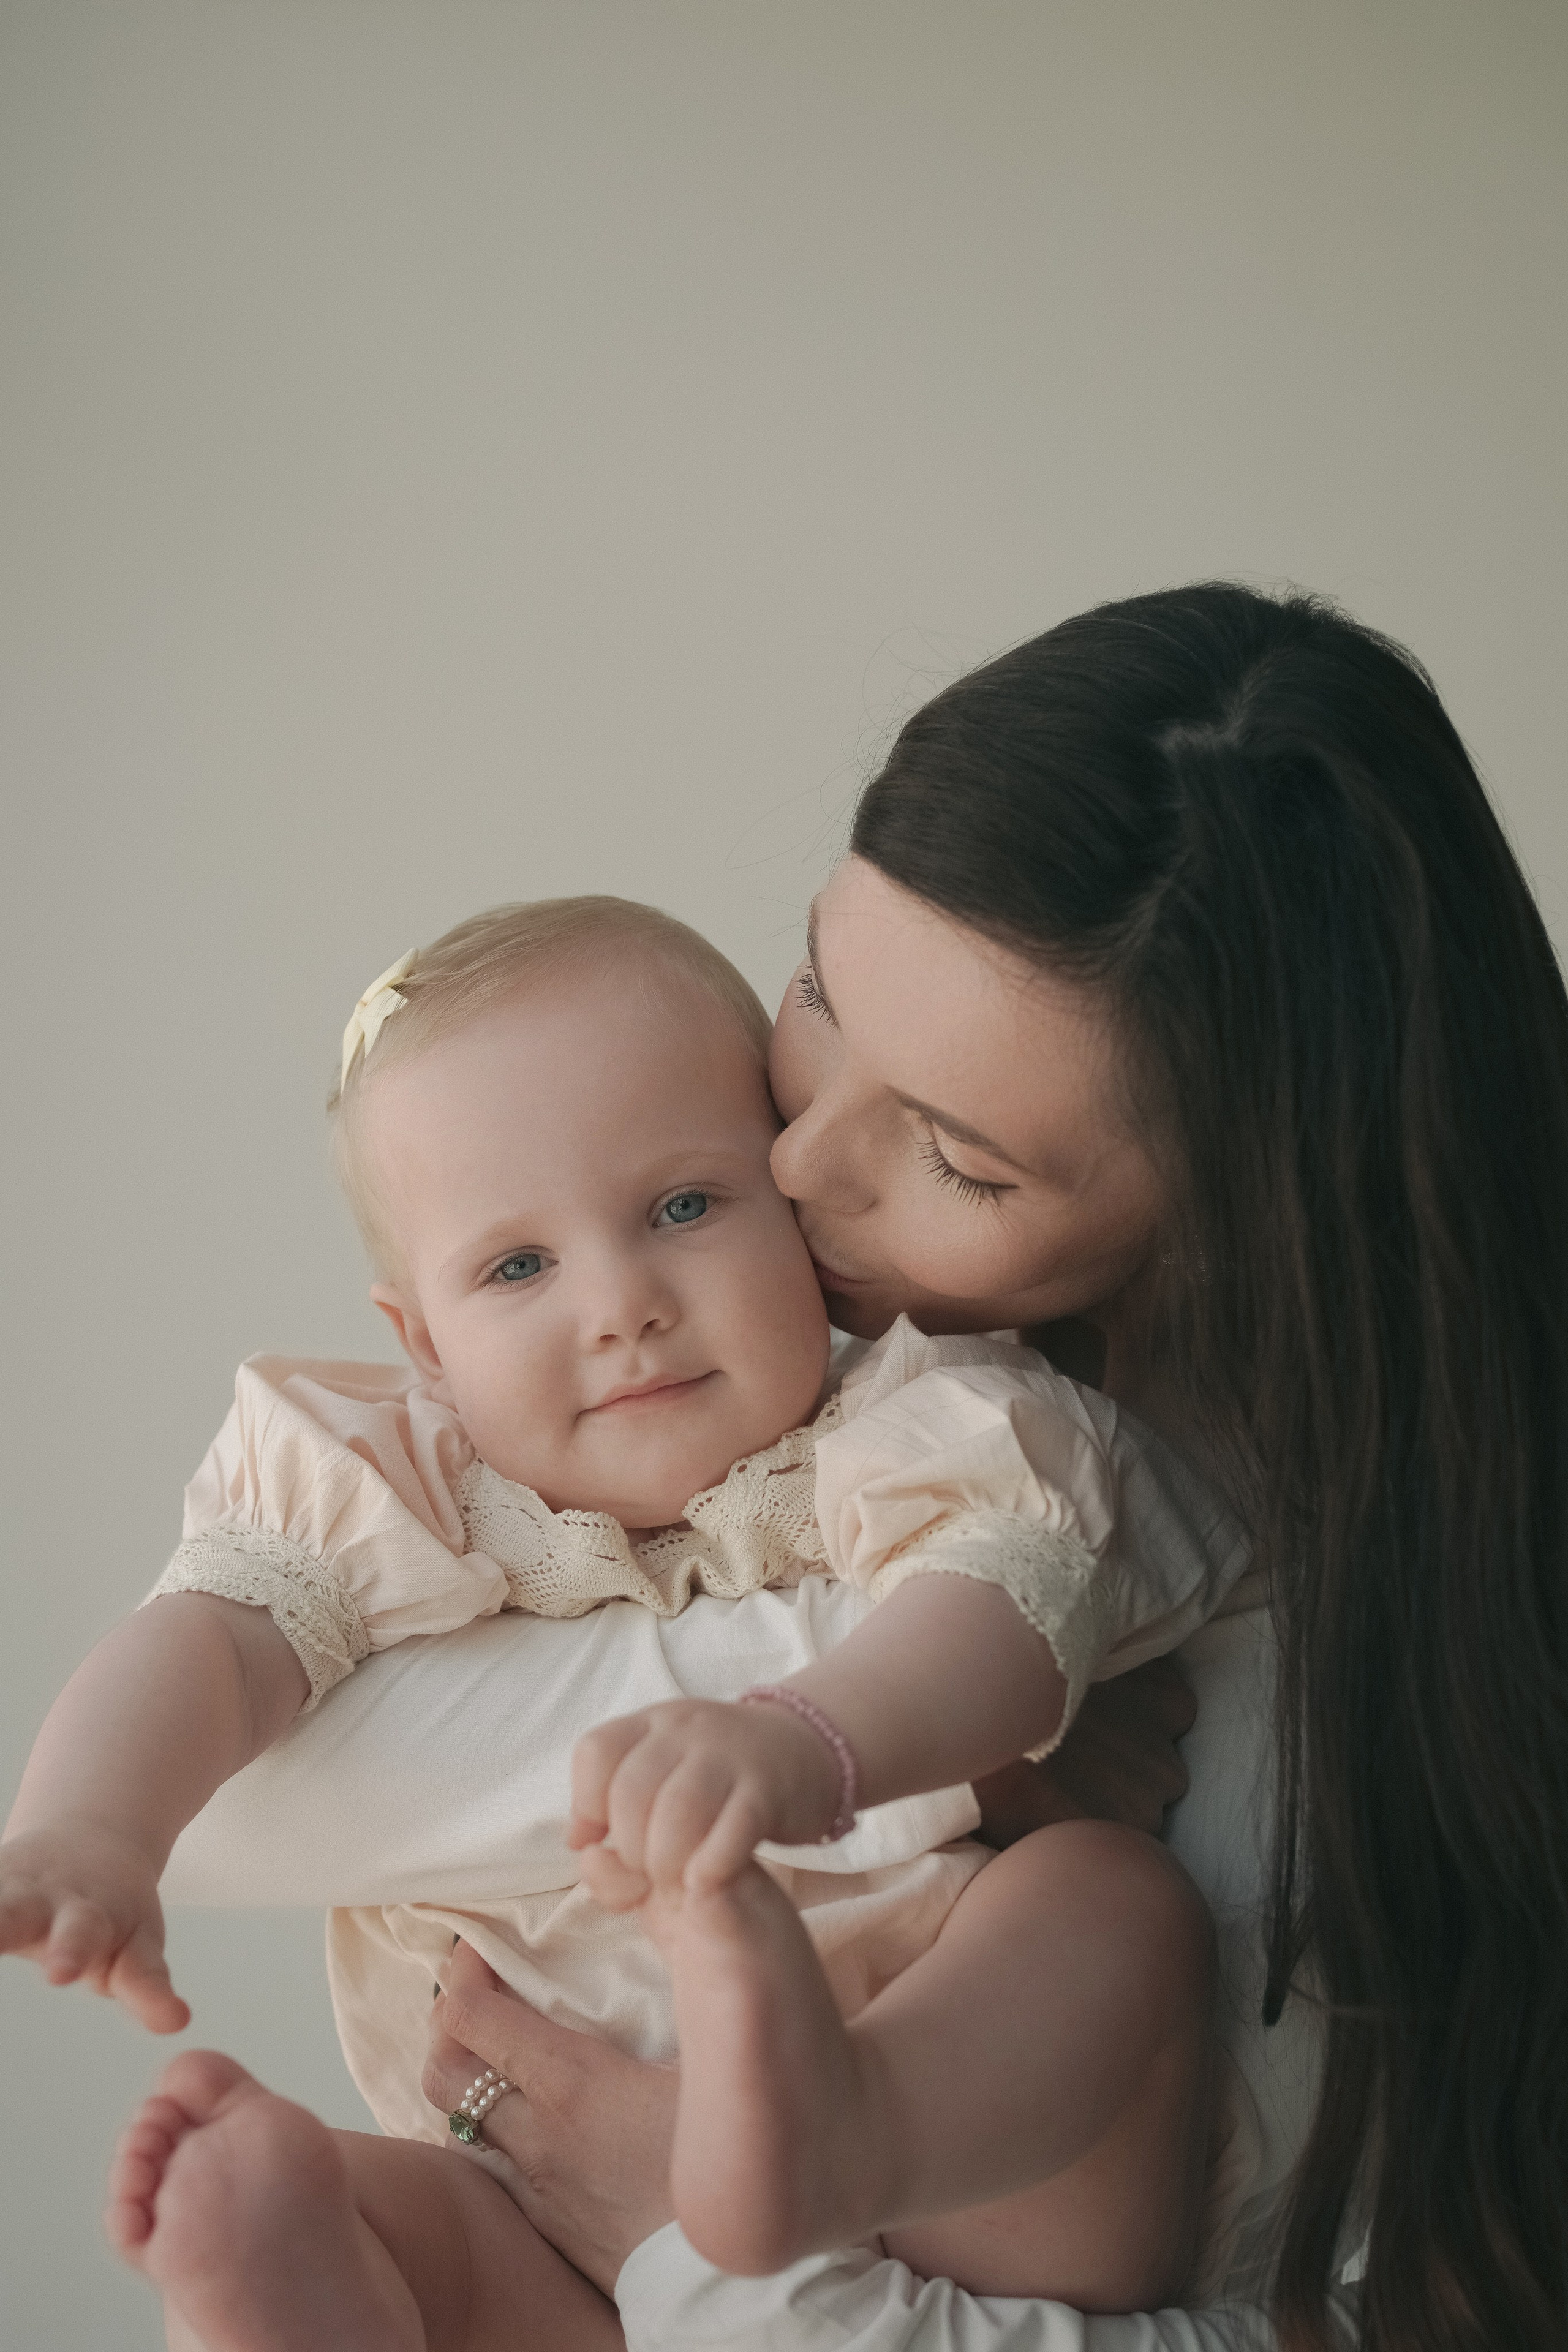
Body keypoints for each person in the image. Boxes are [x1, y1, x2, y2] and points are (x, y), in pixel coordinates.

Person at [355, 581, 1566, 2352]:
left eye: (960, 1162)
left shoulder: (1378, 1639)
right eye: (819, 994)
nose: (798, 1166)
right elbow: (249, 1799)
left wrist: (694, 2247)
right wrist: (939, 1754)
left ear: (1245, 1213)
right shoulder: (760, 1370)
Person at [1, 895, 1253, 2345]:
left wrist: (808, 1742)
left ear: (796, 1219)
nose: (620, 1306)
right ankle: (288, 2267)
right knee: (420, 2237)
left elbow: (1006, 1601)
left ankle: (840, 2121)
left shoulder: (906, 1419)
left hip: (947, 2151)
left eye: (681, 1208)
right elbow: (209, 1636)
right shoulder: (396, 1488)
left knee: (1108, 1902)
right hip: (528, 2182)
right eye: (517, 1267)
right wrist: (91, 1829)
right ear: (420, 1340)